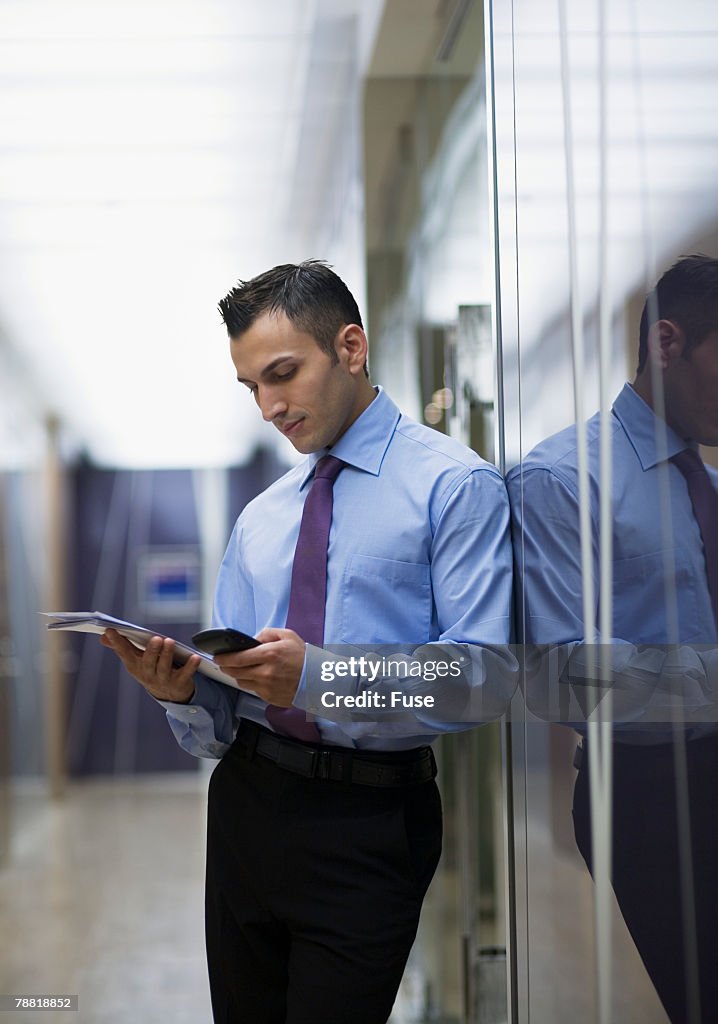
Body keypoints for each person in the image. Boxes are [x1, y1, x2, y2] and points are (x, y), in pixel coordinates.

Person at [101, 260, 514, 1024]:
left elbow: (483, 679)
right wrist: (185, 692)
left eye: (282, 374)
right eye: (251, 386)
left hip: (368, 823)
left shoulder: (454, 486)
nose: (268, 405)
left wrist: (318, 678)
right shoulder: (263, 516)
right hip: (246, 810)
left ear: (351, 347)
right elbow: (230, 708)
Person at [506, 254, 718, 1023]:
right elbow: (562, 676)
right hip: (653, 793)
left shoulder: (710, 485)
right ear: (668, 343)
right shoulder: (562, 480)